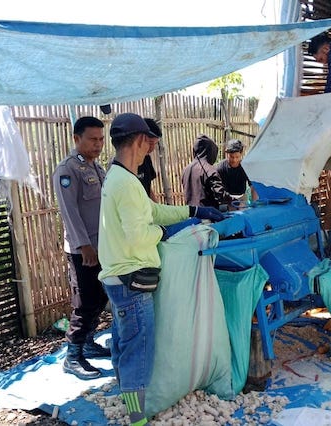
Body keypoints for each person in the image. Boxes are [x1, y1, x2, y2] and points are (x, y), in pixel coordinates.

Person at [97, 113, 225, 426]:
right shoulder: (126, 184)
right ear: (139, 141)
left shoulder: (120, 177)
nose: (148, 150)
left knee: (124, 341)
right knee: (138, 348)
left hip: (117, 276)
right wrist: (164, 233)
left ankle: (125, 396)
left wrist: (192, 211)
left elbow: (152, 211)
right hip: (131, 279)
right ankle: (137, 416)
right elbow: (140, 233)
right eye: (147, 144)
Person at [52, 116, 111, 380]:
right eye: (92, 139)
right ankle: (73, 356)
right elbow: (69, 212)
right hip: (82, 250)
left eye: (101, 139)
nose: (98, 144)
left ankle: (87, 342)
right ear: (77, 139)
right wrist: (84, 245)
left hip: (102, 246)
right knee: (85, 301)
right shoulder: (68, 170)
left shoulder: (96, 168)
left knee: (101, 297)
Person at [182, 134, 232, 209]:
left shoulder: (186, 169)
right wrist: (233, 200)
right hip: (207, 214)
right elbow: (220, 194)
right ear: (211, 152)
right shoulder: (209, 170)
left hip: (191, 213)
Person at [216, 139, 258, 203]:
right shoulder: (220, 167)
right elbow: (217, 188)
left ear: (241, 154)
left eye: (237, 157)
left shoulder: (246, 167)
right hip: (226, 198)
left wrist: (255, 203)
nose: (234, 160)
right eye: (231, 157)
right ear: (227, 154)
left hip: (242, 198)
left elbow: (253, 187)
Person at [137, 118, 161, 201]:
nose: (152, 148)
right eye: (150, 143)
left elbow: (148, 188)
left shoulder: (146, 158)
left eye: (155, 144)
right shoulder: (125, 163)